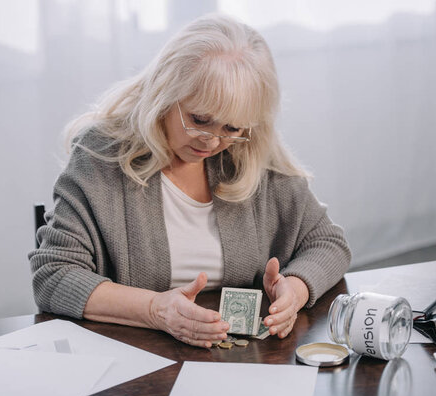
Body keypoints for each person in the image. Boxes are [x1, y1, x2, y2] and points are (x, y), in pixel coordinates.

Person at [29, 14, 351, 349]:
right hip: (135, 360)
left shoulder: (249, 153)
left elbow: (328, 243)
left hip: (240, 361)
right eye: (200, 120)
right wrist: (156, 310)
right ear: (166, 94)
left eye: (231, 128)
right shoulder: (100, 156)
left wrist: (294, 290)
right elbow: (54, 274)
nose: (212, 142)